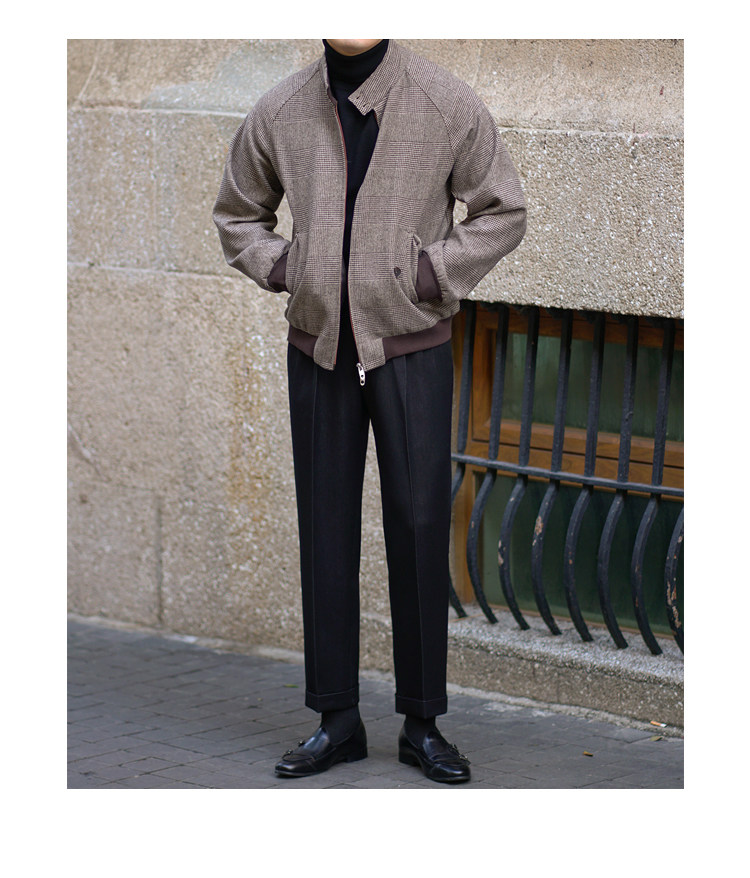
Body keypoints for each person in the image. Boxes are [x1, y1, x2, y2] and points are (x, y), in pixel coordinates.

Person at [213, 38, 526, 784]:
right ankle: (337, 721)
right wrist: (291, 268)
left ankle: (423, 724)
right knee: (324, 528)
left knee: (418, 525)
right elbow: (237, 215)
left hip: (410, 346)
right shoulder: (281, 109)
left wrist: (429, 272)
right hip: (318, 348)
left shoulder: (445, 101)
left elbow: (503, 210)